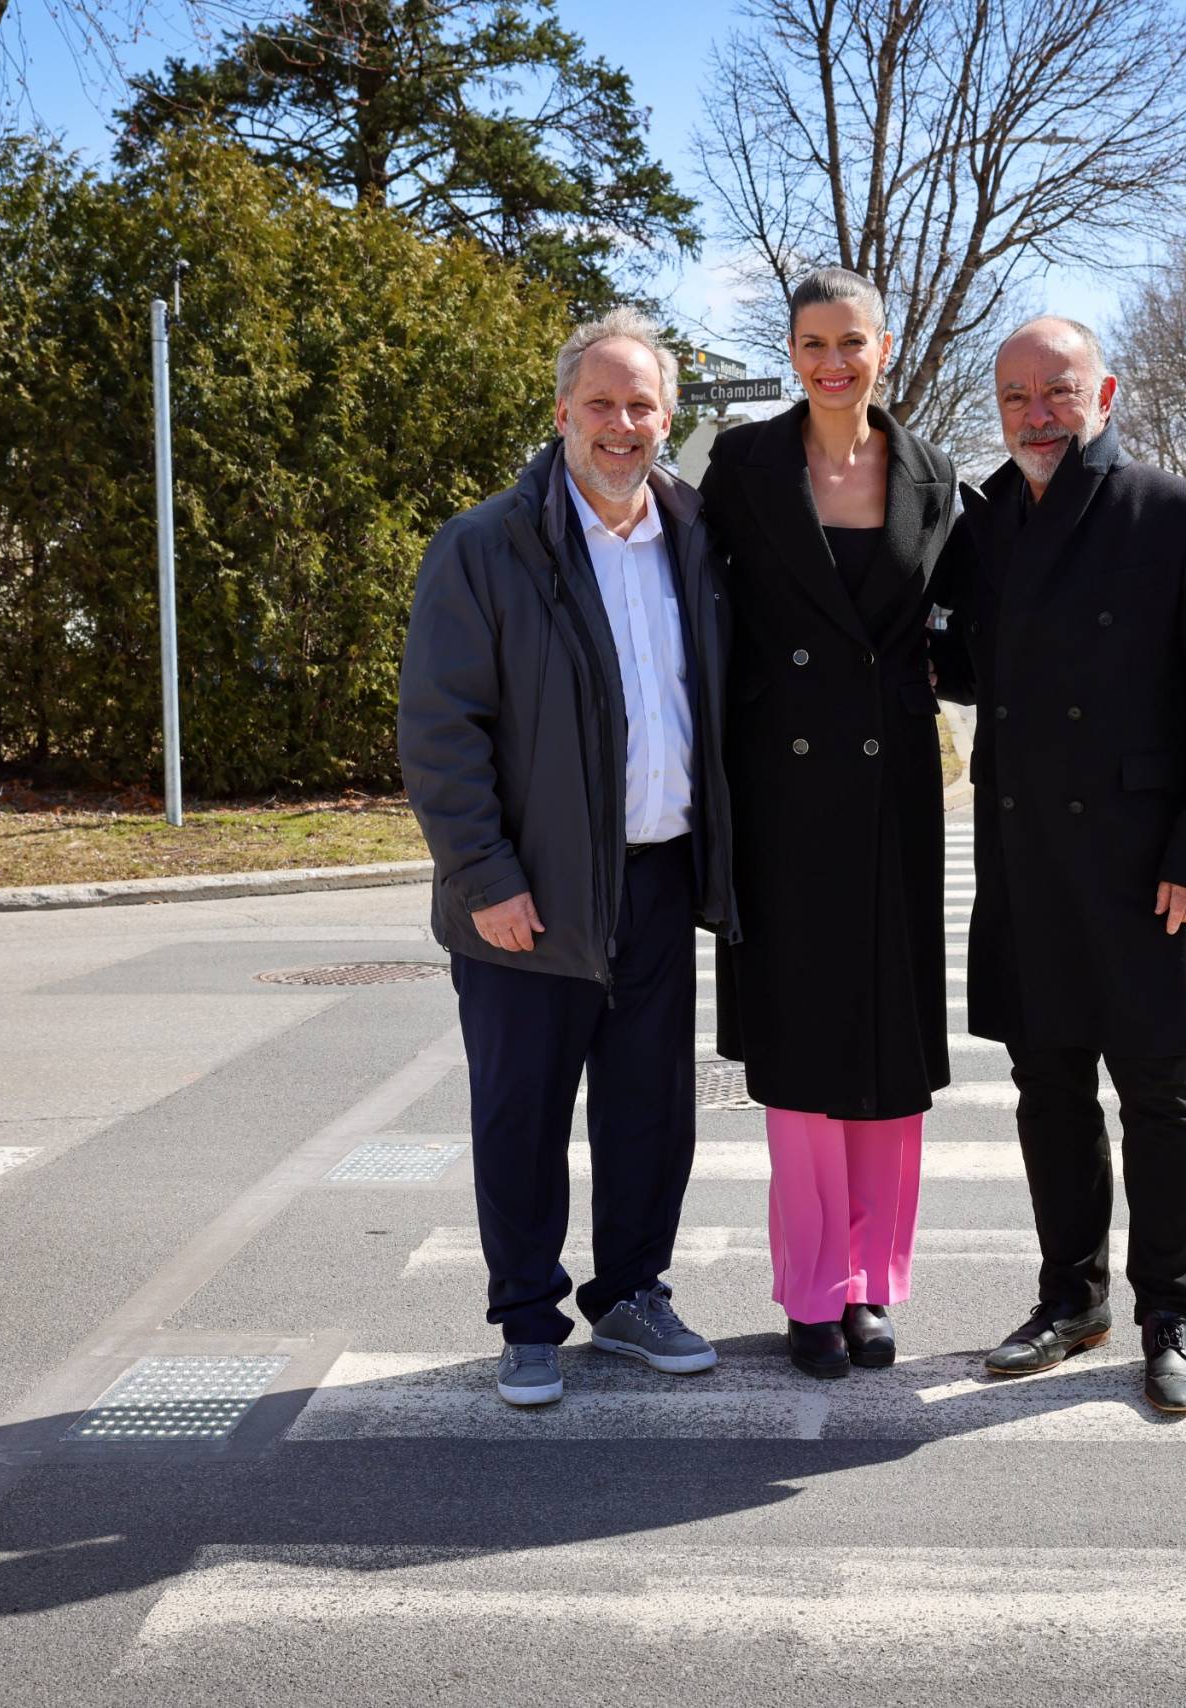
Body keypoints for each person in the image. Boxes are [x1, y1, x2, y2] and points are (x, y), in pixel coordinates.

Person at [396, 308, 738, 1409]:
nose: (621, 424)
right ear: (560, 415)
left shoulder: (692, 537)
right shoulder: (487, 546)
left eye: (642, 405)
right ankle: (527, 1318)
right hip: (527, 893)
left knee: (649, 1109)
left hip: (653, 877)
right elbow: (439, 731)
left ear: (668, 418)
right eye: (600, 403)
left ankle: (632, 1293)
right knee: (521, 1113)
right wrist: (484, 876)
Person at [932, 315, 1186, 1415]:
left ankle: (1169, 1313)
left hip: (1147, 864)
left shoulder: (1179, 513)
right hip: (1027, 853)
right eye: (1016, 396)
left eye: (1057, 392)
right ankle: (1068, 1297)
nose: (1035, 415)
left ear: (1104, 392)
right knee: (1047, 1090)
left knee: (1160, 1095)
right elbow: (955, 662)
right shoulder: (980, 526)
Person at [698, 268, 959, 1378]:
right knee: (803, 1053)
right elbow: (695, 610)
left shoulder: (934, 473)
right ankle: (811, 1292)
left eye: (850, 341)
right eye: (811, 342)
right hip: (781, 793)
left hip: (893, 788)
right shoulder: (744, 465)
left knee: (887, 1050)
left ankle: (871, 1287)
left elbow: (973, 620)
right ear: (791, 349)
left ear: (883, 346)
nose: (831, 362)